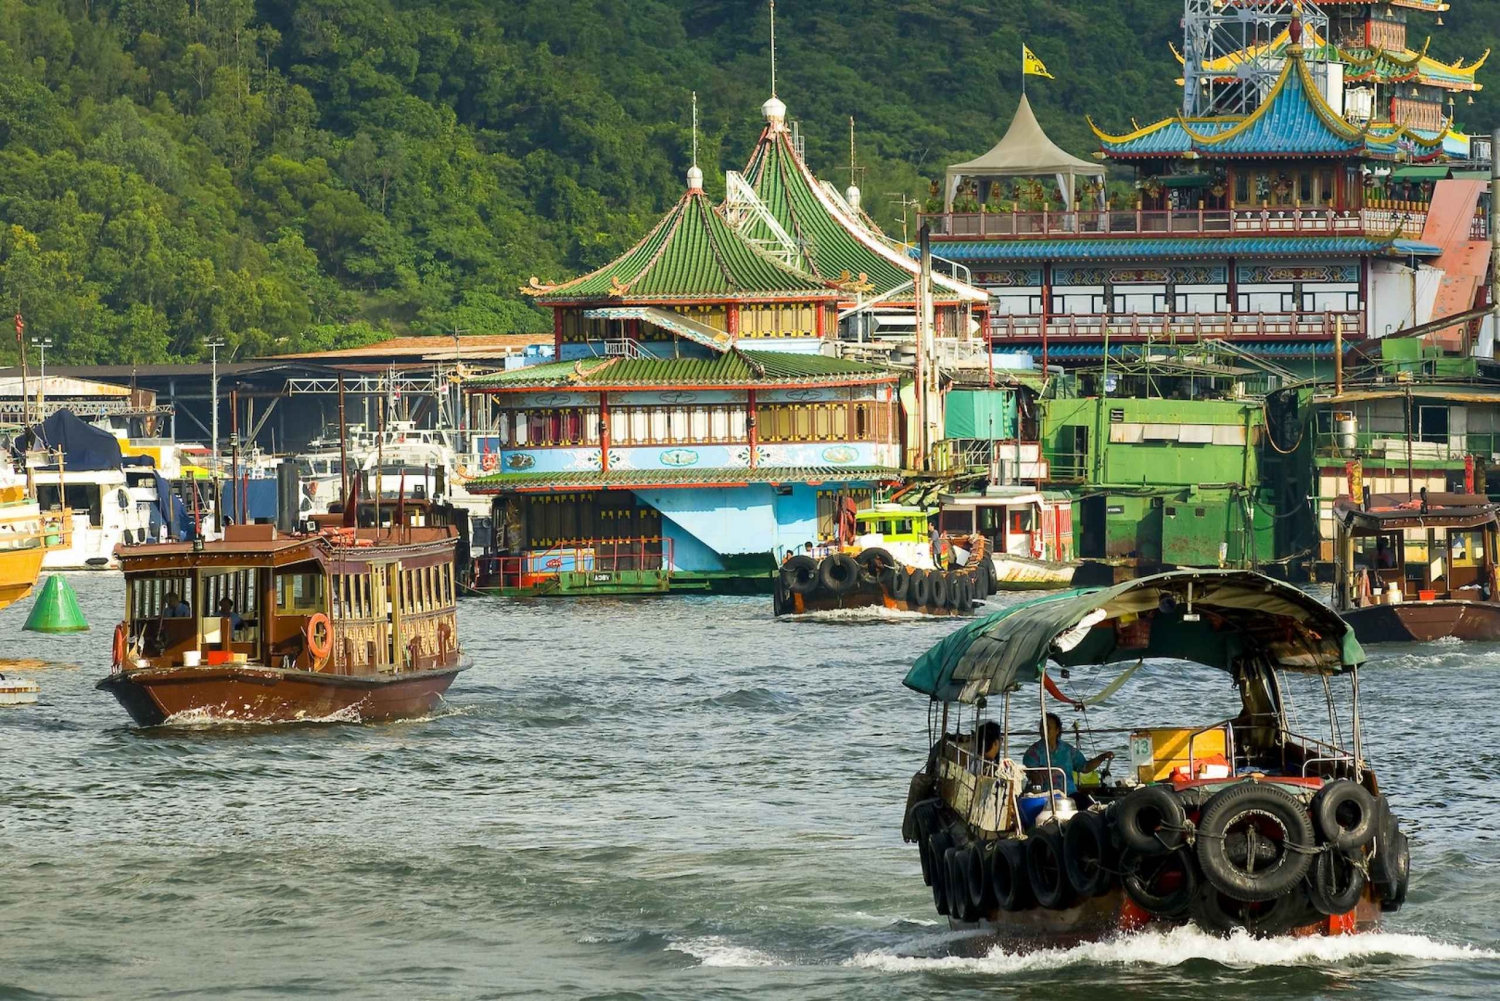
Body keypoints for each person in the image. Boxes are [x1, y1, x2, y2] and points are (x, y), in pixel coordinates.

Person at [1023, 713, 1112, 796]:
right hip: (1045, 795)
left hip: (1069, 793)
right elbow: (1029, 773)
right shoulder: (1033, 752)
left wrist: (1102, 757)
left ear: (1057, 730)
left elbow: (1085, 767)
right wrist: (1035, 775)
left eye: (1048, 728)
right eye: (1042, 728)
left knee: (1086, 802)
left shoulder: (1067, 750)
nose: (1044, 731)